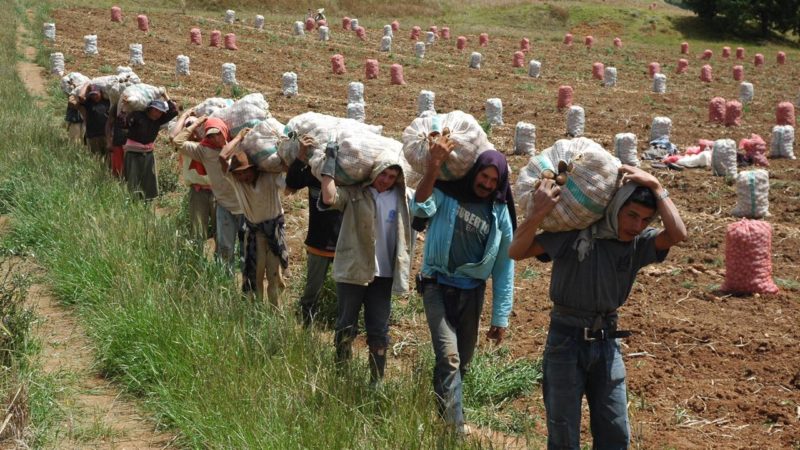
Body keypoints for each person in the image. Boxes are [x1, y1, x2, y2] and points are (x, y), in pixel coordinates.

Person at [508, 165, 687, 450]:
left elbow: (677, 234)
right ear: (615, 207)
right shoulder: (575, 233)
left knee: (616, 433)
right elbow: (516, 251)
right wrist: (538, 213)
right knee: (563, 434)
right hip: (565, 341)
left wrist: (656, 185)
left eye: (644, 219)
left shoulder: (638, 244)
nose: (636, 225)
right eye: (631, 215)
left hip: (607, 343)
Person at [411, 133, 516, 435]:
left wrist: (500, 317)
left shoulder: (499, 214)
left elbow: (505, 266)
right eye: (483, 176)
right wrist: (433, 166)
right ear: (474, 173)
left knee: (461, 362)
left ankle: (442, 417)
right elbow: (419, 208)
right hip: (436, 285)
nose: (485, 184)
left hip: (472, 292)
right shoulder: (447, 195)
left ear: (500, 183)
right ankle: (454, 430)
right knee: (450, 356)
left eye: (492, 181)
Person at [319, 143, 412, 386]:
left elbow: (425, 200)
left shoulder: (401, 198)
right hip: (354, 270)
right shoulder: (356, 193)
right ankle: (341, 375)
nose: (386, 180)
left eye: (392, 177)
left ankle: (376, 383)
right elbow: (329, 197)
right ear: (374, 172)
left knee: (379, 330)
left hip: (384, 275)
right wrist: (329, 163)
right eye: (383, 174)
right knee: (345, 325)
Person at [219, 130, 288, 306]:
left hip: (273, 232)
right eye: (239, 174)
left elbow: (286, 168)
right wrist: (239, 137)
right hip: (254, 233)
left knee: (273, 274)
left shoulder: (270, 176)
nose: (242, 177)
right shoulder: (236, 181)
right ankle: (255, 312)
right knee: (254, 275)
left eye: (245, 173)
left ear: (254, 169)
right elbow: (222, 156)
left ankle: (275, 311)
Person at [171, 113, 242, 270]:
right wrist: (196, 123)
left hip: (230, 201)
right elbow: (177, 140)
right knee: (202, 232)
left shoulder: (234, 149)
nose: (216, 139)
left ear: (225, 131)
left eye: (218, 134)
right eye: (212, 135)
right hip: (207, 196)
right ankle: (199, 266)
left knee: (226, 239)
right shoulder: (203, 150)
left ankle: (224, 270)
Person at [285, 135, 342, 326]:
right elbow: (292, 182)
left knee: (346, 293)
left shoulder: (348, 177)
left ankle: (341, 326)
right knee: (311, 291)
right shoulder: (314, 173)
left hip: (345, 244)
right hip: (319, 241)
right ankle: (305, 325)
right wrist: (301, 154)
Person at [168, 115, 215, 247]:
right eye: (189, 130)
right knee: (198, 230)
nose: (193, 133)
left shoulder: (211, 146)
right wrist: (185, 117)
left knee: (220, 231)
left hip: (217, 192)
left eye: (196, 129)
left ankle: (220, 263)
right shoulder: (186, 147)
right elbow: (173, 137)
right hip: (197, 192)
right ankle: (198, 261)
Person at [124, 97, 178, 200]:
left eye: (160, 112)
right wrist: (125, 107)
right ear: (149, 109)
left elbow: (174, 111)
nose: (158, 114)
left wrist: (166, 95)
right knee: (133, 177)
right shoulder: (137, 116)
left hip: (148, 153)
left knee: (149, 178)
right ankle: (132, 200)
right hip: (133, 152)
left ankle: (147, 200)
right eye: (156, 110)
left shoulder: (159, 120)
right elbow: (123, 123)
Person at [77, 84, 111, 162]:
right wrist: (86, 84)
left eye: (96, 94)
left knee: (108, 159)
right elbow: (81, 97)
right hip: (93, 136)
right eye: (92, 95)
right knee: (96, 159)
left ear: (101, 93)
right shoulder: (89, 103)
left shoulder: (107, 102)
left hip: (106, 136)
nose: (94, 97)